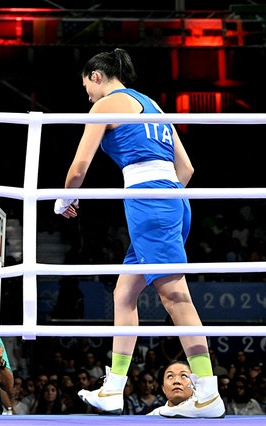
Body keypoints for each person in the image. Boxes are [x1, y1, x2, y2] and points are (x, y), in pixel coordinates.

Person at [54, 48, 225, 419]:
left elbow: (81, 163)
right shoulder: (155, 107)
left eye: (87, 88)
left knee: (175, 296)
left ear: (97, 76)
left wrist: (63, 198)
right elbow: (187, 168)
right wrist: (162, 201)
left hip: (150, 204)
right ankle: (114, 388)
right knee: (124, 292)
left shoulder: (105, 105)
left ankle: (209, 394)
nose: (88, 97)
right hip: (171, 201)